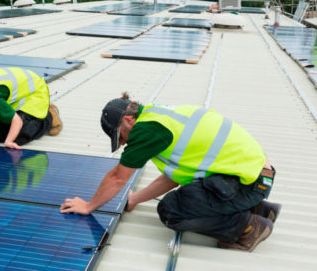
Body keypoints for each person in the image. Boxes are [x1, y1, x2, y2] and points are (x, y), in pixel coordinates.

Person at [60, 93, 282, 252]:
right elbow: (171, 178)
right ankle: (260, 208)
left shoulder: (146, 130)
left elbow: (118, 177)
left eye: (122, 137)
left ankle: (249, 228)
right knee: (189, 193)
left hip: (248, 182)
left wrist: (89, 206)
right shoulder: (160, 117)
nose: (126, 144)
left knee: (172, 210)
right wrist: (135, 199)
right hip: (253, 177)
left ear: (129, 120)